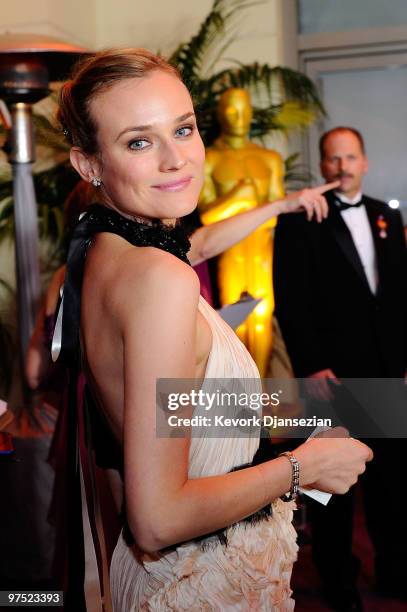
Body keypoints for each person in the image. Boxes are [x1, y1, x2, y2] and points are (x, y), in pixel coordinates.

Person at [56, 51, 372, 611]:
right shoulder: (160, 280)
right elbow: (158, 518)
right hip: (199, 583)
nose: (178, 160)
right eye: (138, 141)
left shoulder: (104, 248)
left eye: (183, 128)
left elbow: (171, 409)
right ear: (89, 164)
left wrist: (282, 204)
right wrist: (305, 466)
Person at [273, 126, 407, 609]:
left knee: (393, 483)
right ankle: (338, 583)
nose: (342, 166)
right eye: (333, 159)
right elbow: (290, 301)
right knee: (330, 488)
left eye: (350, 157)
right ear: (322, 165)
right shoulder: (298, 222)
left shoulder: (386, 216)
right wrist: (311, 365)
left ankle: (394, 571)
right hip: (327, 375)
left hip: (388, 371)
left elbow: (398, 297)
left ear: (365, 162)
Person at [198, 88, 286, 376]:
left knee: (262, 320)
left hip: (262, 253)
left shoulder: (269, 158)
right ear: (220, 113)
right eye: (231, 109)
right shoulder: (209, 159)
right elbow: (207, 217)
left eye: (244, 109)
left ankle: (259, 394)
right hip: (229, 254)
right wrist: (239, 197)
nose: (239, 117)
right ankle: (240, 394)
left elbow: (276, 215)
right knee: (232, 321)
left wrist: (245, 207)